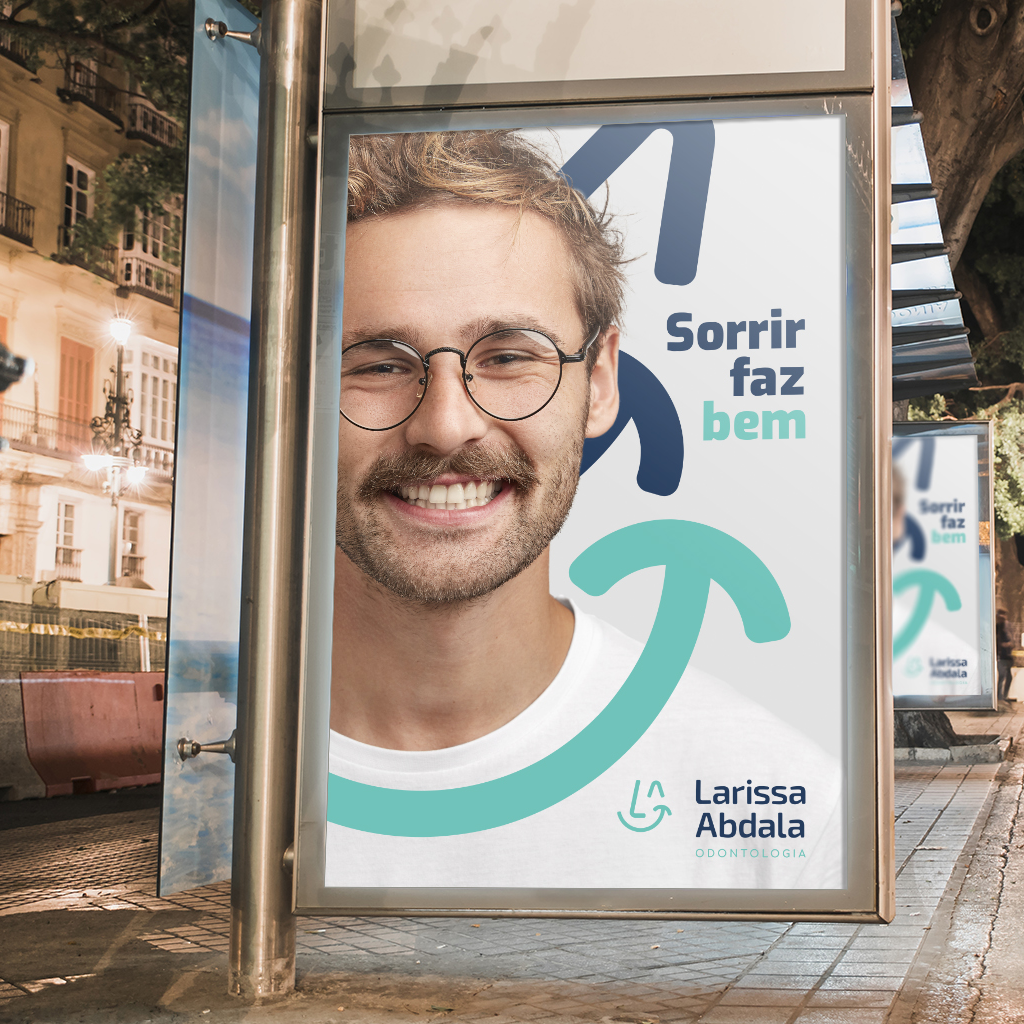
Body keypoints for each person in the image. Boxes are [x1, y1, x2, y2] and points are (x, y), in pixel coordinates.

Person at [325, 129, 840, 890]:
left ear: (599, 382)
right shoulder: (203, 785)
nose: (445, 423)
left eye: (507, 356)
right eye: (375, 363)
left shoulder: (787, 809)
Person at [995, 608, 1015, 702]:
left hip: (1007, 656)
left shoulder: (1006, 628)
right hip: (1001, 656)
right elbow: (998, 642)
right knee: (1003, 675)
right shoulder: (998, 628)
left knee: (1008, 676)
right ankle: (1000, 697)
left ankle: (1004, 696)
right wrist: (1005, 645)